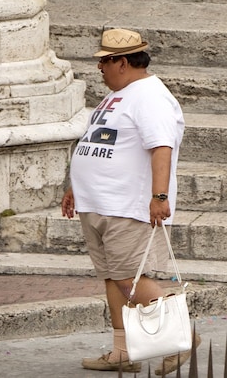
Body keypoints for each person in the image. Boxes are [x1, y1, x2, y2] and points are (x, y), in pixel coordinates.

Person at [61, 28, 195, 375]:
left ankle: (182, 334)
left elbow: (161, 146)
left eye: (104, 61)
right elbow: (97, 143)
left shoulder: (150, 96)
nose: (100, 68)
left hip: (126, 205)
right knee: (112, 278)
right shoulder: (120, 94)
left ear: (122, 62)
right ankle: (123, 350)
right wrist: (76, 185)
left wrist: (159, 197)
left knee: (127, 280)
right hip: (100, 203)